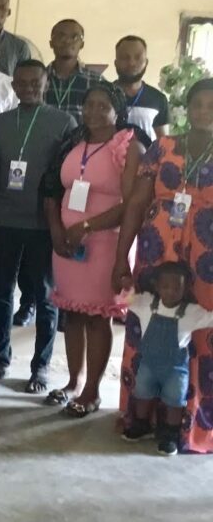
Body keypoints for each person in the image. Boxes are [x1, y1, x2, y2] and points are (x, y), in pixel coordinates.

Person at [112, 78, 213, 454]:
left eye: (211, 106)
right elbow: (137, 203)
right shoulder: (162, 147)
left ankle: (192, 423)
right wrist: (121, 256)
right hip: (158, 251)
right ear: (186, 108)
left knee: (202, 333)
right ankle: (141, 416)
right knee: (148, 325)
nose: (204, 111)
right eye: (198, 104)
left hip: (207, 259)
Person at [42, 84, 145, 416]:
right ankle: (73, 382)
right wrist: (58, 230)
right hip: (68, 244)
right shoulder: (75, 141)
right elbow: (55, 189)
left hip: (105, 243)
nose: (94, 111)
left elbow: (131, 204)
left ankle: (92, 392)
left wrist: (86, 226)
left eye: (103, 106)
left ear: (118, 111)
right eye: (89, 104)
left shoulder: (128, 146)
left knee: (98, 316)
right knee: (73, 313)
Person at [0, 59, 76, 393]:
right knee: (1, 293)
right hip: (4, 220)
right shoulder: (1, 122)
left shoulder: (64, 122)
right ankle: (0, 357)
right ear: (13, 86)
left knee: (46, 295)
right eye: (21, 82)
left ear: (46, 82)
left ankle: (41, 366)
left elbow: (68, 177)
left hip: (43, 224)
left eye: (35, 81)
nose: (28, 87)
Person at [121, 263, 213, 456]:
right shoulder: (146, 303)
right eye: (165, 287)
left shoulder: (191, 312)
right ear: (156, 286)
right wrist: (125, 285)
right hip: (147, 366)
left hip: (176, 370)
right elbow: (124, 300)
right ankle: (141, 425)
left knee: (174, 402)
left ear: (186, 289)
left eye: (177, 288)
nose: (171, 291)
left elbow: (210, 318)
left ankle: (170, 436)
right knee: (142, 395)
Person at [44, 19, 106, 124]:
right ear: (51, 43)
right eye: (61, 36)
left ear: (82, 44)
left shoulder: (96, 81)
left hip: (81, 135)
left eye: (75, 37)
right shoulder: (38, 79)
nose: (67, 41)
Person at [115, 35, 169, 141]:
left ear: (146, 62)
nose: (131, 63)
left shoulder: (158, 99)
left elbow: (164, 142)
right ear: (116, 63)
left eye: (138, 57)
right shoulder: (104, 95)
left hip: (147, 152)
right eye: (125, 58)